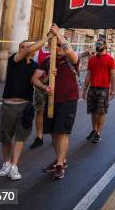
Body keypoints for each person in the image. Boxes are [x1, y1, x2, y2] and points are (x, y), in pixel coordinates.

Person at [0, 35, 49, 180]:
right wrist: (47, 37)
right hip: (9, 105)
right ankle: (6, 163)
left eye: (27, 47)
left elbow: (37, 81)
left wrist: (47, 79)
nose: (26, 49)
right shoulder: (14, 60)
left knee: (20, 137)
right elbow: (29, 50)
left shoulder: (34, 65)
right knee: (6, 138)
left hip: (25, 105)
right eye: (22, 47)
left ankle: (14, 166)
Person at [32, 24, 79, 180]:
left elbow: (72, 54)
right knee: (53, 132)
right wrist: (45, 86)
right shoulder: (47, 61)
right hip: (52, 100)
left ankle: (60, 165)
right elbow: (34, 79)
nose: (57, 47)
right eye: (54, 45)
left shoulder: (71, 59)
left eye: (59, 45)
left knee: (63, 132)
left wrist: (58, 34)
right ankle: (61, 160)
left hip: (68, 99)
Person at [82, 40, 115, 144]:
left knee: (101, 112)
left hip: (103, 88)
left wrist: (113, 89)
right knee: (93, 111)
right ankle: (94, 130)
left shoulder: (110, 59)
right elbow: (88, 74)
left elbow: (112, 75)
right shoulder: (92, 59)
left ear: (105, 46)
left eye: (100, 44)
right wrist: (84, 89)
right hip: (92, 88)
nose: (98, 46)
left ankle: (98, 133)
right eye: (97, 44)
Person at [29, 45, 50, 149]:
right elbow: (36, 67)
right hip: (41, 85)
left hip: (57, 86)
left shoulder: (61, 50)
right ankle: (39, 137)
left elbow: (76, 56)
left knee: (55, 111)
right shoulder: (40, 52)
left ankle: (55, 134)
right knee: (39, 111)